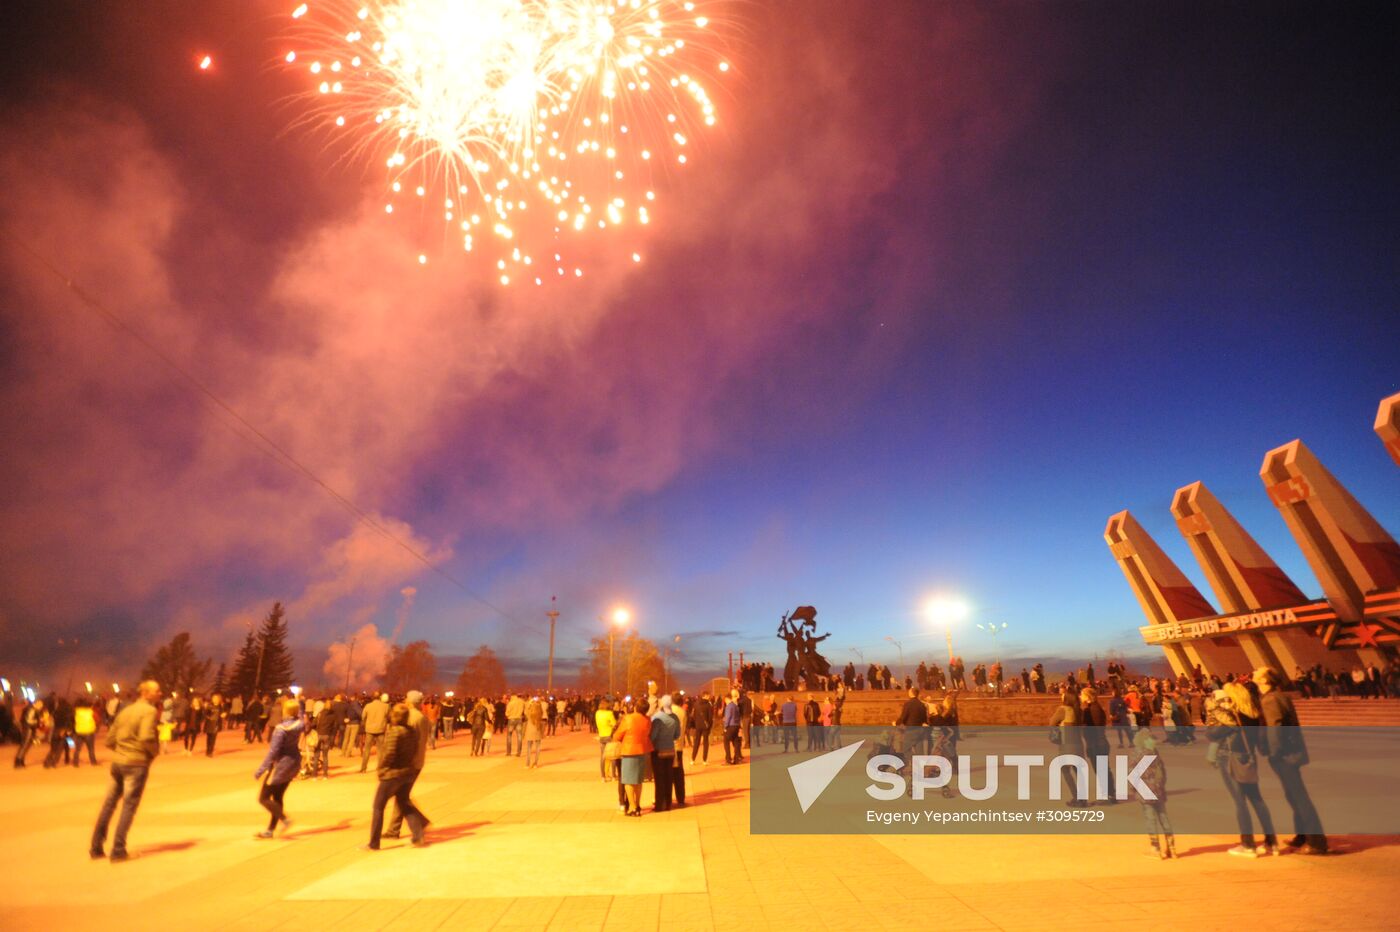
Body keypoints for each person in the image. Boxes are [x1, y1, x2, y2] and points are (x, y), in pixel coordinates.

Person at [1253, 667, 1327, 854]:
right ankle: (1302, 835)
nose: (1254, 672)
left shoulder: (1271, 699)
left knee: (1299, 796)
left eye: (1257, 672)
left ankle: (1317, 842)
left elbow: (1275, 727)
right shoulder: (1277, 696)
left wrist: (1274, 752)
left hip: (1284, 755)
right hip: (1290, 753)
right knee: (1293, 795)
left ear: (1264, 680)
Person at [90, 680, 161, 862]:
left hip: (118, 762)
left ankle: (96, 847)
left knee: (109, 804)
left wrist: (121, 750)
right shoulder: (149, 711)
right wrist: (154, 752)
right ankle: (118, 849)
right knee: (129, 806)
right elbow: (146, 736)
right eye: (157, 691)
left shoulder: (125, 711)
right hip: (136, 763)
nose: (160, 693)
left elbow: (109, 740)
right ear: (145, 693)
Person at [1206, 683, 1277, 857]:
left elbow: (1212, 734)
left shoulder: (1233, 717)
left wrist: (1212, 708)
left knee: (1240, 801)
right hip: (1248, 757)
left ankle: (1248, 844)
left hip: (1230, 758)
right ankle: (1271, 842)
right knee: (1257, 799)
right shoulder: (1253, 714)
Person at [365, 703, 428, 849]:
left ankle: (374, 843)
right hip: (407, 773)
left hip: (392, 774)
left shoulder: (395, 731)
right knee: (404, 803)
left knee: (378, 807)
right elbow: (414, 750)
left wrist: (381, 768)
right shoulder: (411, 731)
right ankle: (419, 835)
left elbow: (389, 753)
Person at [385, 690, 432, 840]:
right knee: (401, 796)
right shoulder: (422, 718)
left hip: (409, 762)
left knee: (401, 797)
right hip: (418, 760)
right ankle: (394, 829)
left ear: (410, 701)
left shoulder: (410, 717)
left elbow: (406, 741)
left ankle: (419, 824)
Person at [253, 699, 304, 838]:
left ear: (285, 711)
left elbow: (273, 752)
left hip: (280, 766)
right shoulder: (299, 725)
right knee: (277, 797)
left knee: (263, 798)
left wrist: (261, 770)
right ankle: (270, 830)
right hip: (293, 764)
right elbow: (302, 716)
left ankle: (284, 819)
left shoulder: (280, 729)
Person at [611, 698, 654, 817]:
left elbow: (617, 735)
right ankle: (638, 805)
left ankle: (632, 807)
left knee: (628, 781)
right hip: (642, 751)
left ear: (636, 707)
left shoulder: (628, 718)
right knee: (638, 780)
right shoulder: (648, 720)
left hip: (629, 752)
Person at [1049, 688, 1085, 807]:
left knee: (1065, 769)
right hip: (1078, 743)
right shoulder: (1078, 710)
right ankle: (1082, 799)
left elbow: (1052, 722)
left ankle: (1077, 797)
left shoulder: (1063, 710)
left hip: (1067, 744)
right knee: (1078, 770)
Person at [649, 695, 680, 812]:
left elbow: (653, 736)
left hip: (658, 752)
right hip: (670, 751)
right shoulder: (675, 718)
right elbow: (677, 735)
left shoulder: (657, 718)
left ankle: (659, 804)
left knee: (659, 779)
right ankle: (668, 803)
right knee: (668, 777)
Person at [360, 693, 390, 773]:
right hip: (381, 729)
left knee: (367, 749)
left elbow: (363, 717)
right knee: (380, 750)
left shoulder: (368, 706)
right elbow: (389, 717)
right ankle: (380, 767)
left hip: (369, 729)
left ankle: (363, 768)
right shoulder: (386, 706)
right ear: (380, 697)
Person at [72, 696, 99, 767]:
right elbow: (97, 719)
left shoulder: (75, 712)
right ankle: (93, 762)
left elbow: (72, 721)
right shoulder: (91, 711)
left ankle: (75, 762)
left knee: (77, 749)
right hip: (89, 731)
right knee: (91, 748)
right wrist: (95, 727)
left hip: (79, 731)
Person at [596, 697, 618, 781]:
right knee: (612, 756)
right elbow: (614, 724)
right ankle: (613, 776)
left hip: (601, 736)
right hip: (609, 736)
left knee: (603, 757)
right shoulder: (609, 713)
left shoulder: (597, 713)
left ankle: (603, 776)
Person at [690, 692, 713, 765]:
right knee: (705, 743)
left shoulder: (696, 704)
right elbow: (710, 717)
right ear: (705, 696)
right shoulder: (708, 704)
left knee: (697, 742)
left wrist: (695, 724)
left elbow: (693, 716)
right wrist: (709, 726)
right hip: (705, 726)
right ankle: (704, 760)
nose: (709, 697)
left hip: (698, 726)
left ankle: (693, 759)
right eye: (708, 696)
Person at [722, 691, 743, 764]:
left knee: (726, 742)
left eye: (725, 700)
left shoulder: (729, 706)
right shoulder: (736, 706)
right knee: (736, 742)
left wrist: (725, 726)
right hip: (736, 726)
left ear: (727, 698)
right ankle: (736, 759)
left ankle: (728, 759)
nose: (725, 701)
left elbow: (728, 717)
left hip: (730, 726)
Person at [523, 696, 545, 768]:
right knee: (537, 748)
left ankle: (527, 764)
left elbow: (525, 710)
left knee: (529, 748)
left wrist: (530, 702)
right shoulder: (540, 713)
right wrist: (538, 703)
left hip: (530, 731)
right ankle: (535, 763)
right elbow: (542, 711)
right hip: (538, 730)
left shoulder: (529, 713)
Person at [505, 693, 525, 757]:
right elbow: (524, 711)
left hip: (511, 719)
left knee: (509, 736)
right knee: (519, 736)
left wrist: (508, 715)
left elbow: (507, 713)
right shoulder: (522, 702)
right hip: (519, 719)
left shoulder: (510, 703)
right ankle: (519, 752)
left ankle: (509, 752)